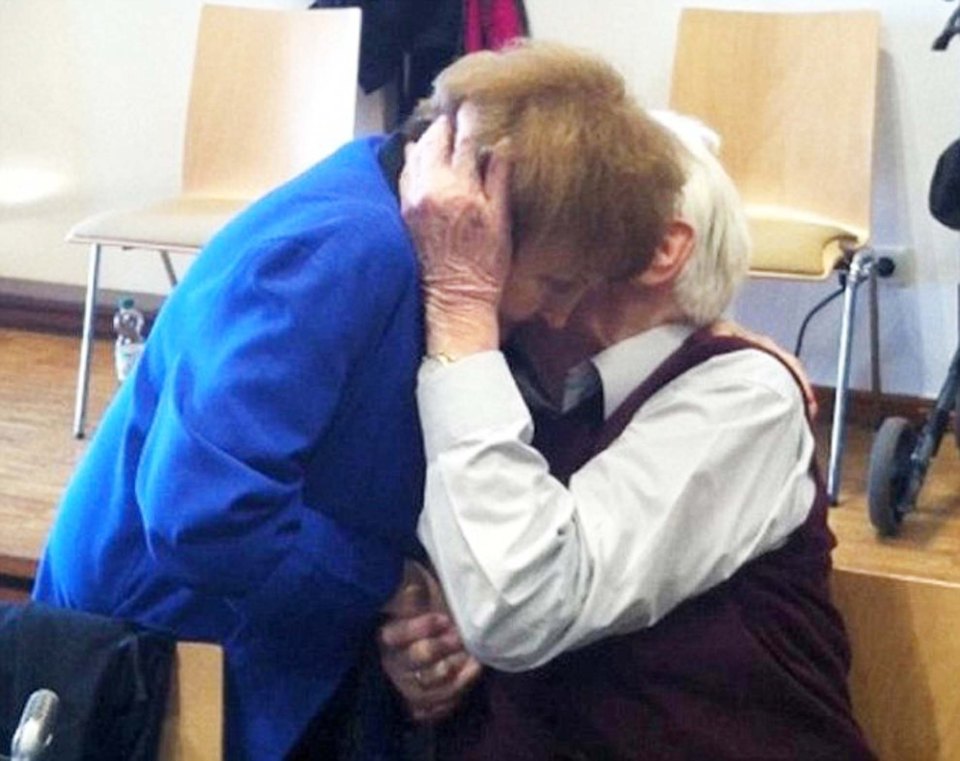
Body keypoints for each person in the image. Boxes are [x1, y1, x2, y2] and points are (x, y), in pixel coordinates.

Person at [31, 41, 685, 760]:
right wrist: (390, 583)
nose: (559, 317)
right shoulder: (339, 250)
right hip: (151, 667)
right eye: (556, 284)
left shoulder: (403, 218)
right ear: (482, 220)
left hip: (274, 636)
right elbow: (204, 516)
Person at [379, 108, 876, 758]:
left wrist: (463, 303)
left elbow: (523, 604)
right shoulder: (510, 376)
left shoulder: (741, 396)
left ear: (659, 250)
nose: (484, 238)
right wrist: (423, 637)